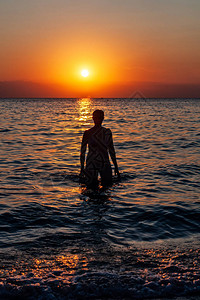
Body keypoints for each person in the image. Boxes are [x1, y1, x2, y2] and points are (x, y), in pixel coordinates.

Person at [80, 109, 120, 189]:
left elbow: (82, 152)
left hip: (93, 162)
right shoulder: (106, 132)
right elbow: (111, 150)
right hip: (103, 162)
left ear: (92, 118)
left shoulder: (88, 133)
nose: (98, 119)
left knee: (90, 189)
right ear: (103, 118)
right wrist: (116, 166)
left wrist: (82, 168)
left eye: (99, 117)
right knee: (107, 189)